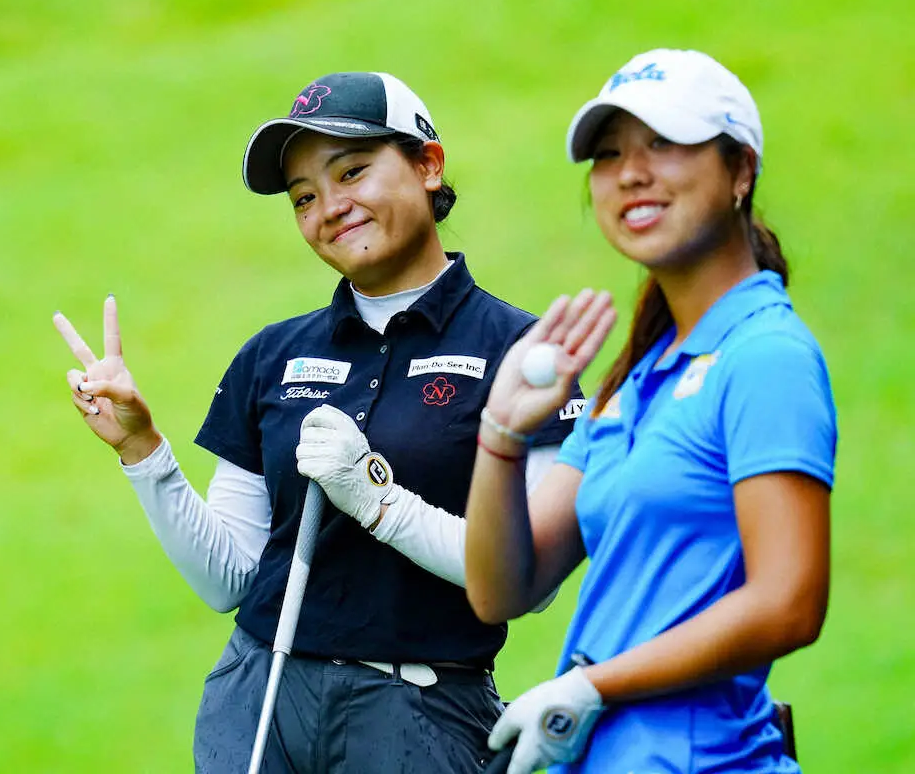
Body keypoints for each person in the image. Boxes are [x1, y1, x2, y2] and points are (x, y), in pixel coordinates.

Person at [53, 71, 582, 772]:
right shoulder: (274, 354)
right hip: (259, 700)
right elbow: (229, 580)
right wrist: (142, 450)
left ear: (429, 164)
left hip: (418, 712)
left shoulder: (522, 353)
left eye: (353, 171)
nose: (330, 207)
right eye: (305, 197)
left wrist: (375, 497)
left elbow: (530, 585)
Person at [463, 49, 837, 773]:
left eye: (664, 143)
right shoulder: (637, 376)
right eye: (608, 154)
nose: (631, 171)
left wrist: (592, 685)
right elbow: (502, 588)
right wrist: (501, 434)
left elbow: (789, 601)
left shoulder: (766, 356)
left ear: (741, 171)